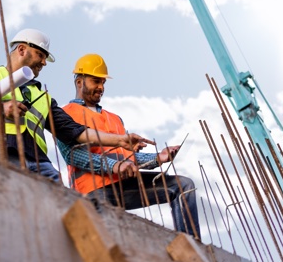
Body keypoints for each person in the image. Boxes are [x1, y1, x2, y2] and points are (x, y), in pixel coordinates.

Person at [0, 29, 152, 183]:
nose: (44, 63)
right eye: (41, 56)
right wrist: (0, 109)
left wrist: (121, 140)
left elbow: (75, 132)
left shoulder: (42, 96)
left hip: (41, 164)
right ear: (22, 50)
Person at [57, 54, 200, 237]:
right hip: (94, 190)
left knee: (183, 185)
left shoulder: (114, 118)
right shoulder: (65, 114)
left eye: (103, 82)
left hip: (124, 185)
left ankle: (193, 249)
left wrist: (158, 158)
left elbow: (128, 158)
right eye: (95, 81)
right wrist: (115, 166)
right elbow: (73, 155)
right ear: (79, 82)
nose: (101, 87)